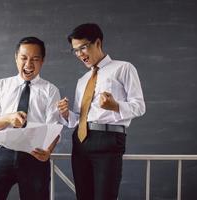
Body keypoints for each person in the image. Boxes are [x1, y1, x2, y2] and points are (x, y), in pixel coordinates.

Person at [57, 23, 146, 200]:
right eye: (75, 50)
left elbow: (139, 106)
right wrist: (67, 114)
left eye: (83, 47)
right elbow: (79, 119)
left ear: (97, 42)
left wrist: (115, 106)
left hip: (108, 140)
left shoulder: (124, 68)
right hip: (80, 142)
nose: (80, 54)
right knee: (84, 196)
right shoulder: (82, 80)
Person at [0, 36, 60, 200]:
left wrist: (48, 151)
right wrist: (8, 118)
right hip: (1, 153)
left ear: (42, 61)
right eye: (24, 58)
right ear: (16, 58)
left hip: (34, 155)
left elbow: (54, 128)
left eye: (35, 59)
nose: (29, 64)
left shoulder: (51, 90)